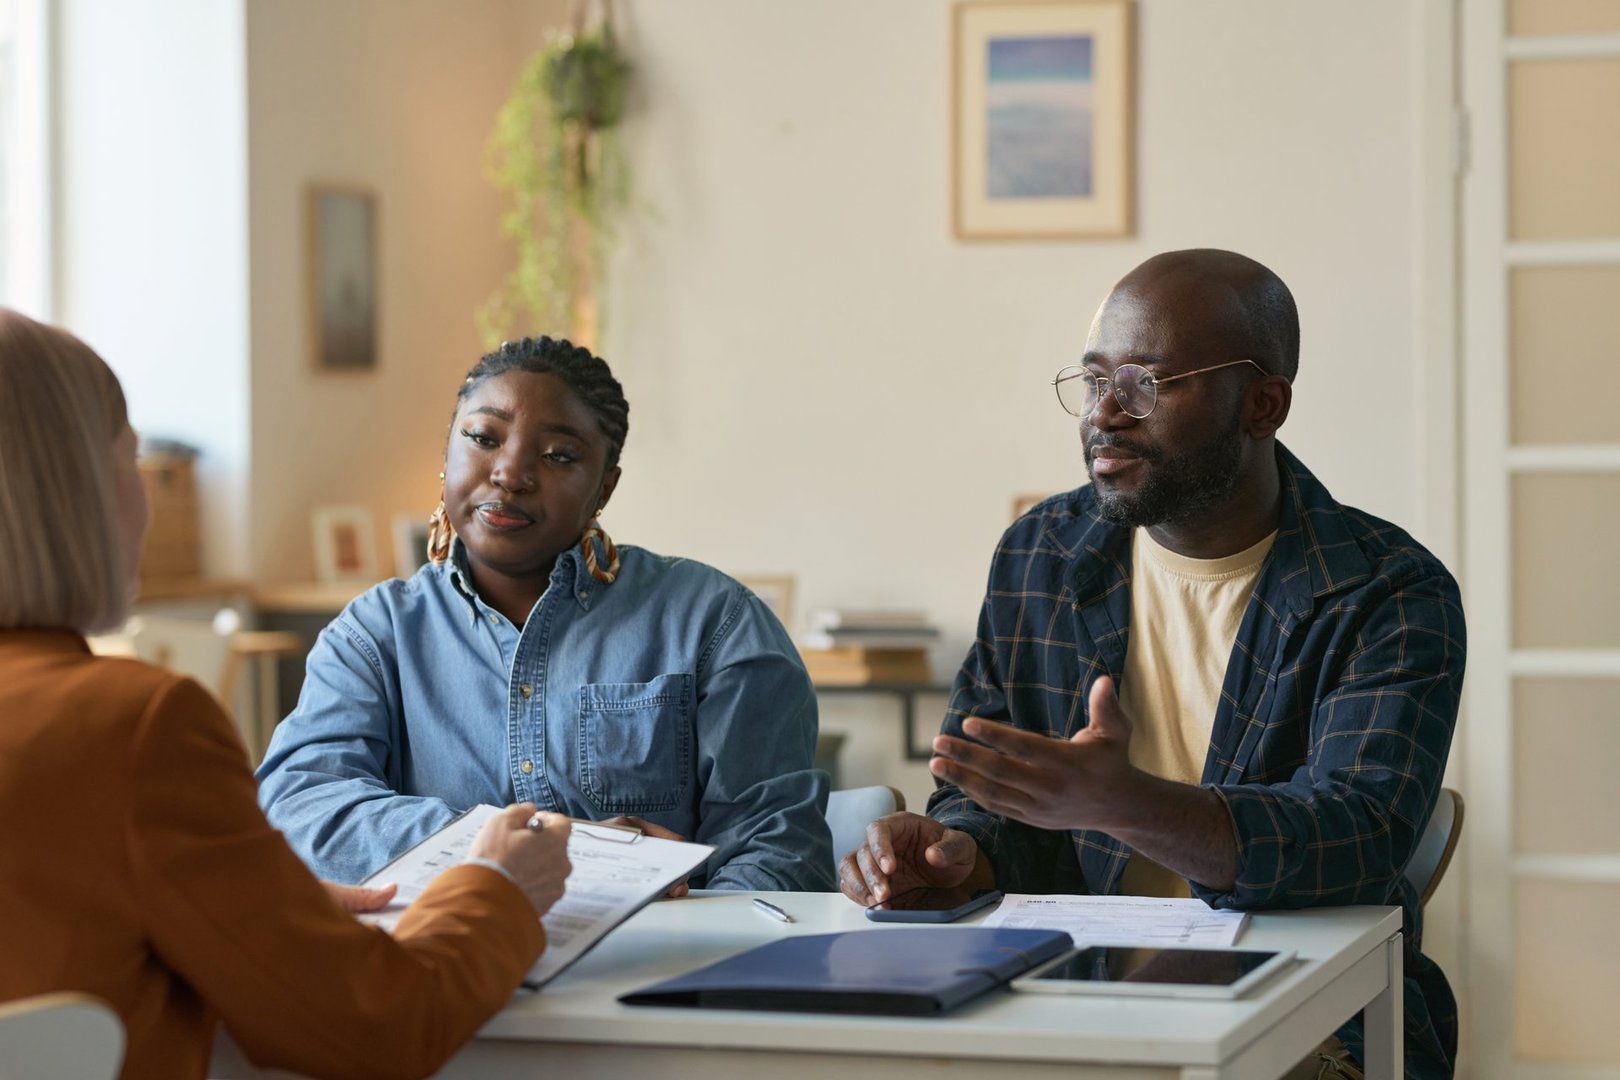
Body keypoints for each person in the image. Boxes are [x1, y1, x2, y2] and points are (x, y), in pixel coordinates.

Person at [837, 250, 1464, 1079]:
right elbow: (993, 798)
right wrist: (959, 853)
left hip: (1308, 1023)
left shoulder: (1386, 589)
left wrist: (1129, 805)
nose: (1105, 415)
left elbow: (1358, 840)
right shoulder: (1045, 555)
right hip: (1068, 1004)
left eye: (1145, 384)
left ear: (1262, 405)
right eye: (1093, 381)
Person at [0, 308, 574, 1080]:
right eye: (129, 463)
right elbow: (374, 1026)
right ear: (68, 494)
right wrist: (498, 884)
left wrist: (256, 908)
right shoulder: (131, 727)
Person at [257, 335, 834, 891]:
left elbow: (777, 850)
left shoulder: (715, 623)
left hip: (655, 970)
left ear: (604, 487)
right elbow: (300, 808)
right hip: (445, 967)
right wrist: (536, 847)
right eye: (483, 437)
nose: (510, 473)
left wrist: (680, 942)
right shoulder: (373, 636)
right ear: (446, 453)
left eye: (558, 455)